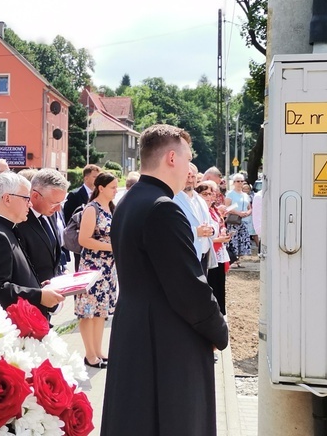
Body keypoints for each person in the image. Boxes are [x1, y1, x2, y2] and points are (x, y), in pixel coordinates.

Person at [101, 124, 228, 436]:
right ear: (171, 158)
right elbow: (188, 286)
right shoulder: (163, 208)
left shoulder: (130, 200)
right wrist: (217, 329)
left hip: (134, 328)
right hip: (166, 337)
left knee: (135, 417)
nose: (189, 169)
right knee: (171, 420)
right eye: (187, 159)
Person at [0, 171, 64, 317]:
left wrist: (38, 288)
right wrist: (39, 296)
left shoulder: (4, 227)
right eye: (26, 198)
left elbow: (15, 276)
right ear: (7, 199)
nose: (30, 203)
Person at [75, 171, 118, 369]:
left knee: (101, 311)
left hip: (108, 267)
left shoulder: (110, 208)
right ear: (101, 188)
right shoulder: (92, 209)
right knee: (88, 311)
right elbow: (83, 240)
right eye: (113, 187)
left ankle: (99, 350)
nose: (116, 191)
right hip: (92, 266)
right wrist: (112, 247)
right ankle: (89, 354)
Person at [15, 169, 69, 284]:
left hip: (53, 291)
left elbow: (52, 252)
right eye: (54, 203)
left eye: (61, 203)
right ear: (35, 196)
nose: (58, 208)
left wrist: (61, 272)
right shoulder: (19, 221)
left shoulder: (50, 214)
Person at [173, 163, 216, 273]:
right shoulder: (173, 199)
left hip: (204, 256)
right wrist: (196, 232)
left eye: (193, 176)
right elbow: (173, 229)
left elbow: (211, 222)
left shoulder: (200, 199)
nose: (190, 180)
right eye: (187, 176)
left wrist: (211, 230)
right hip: (186, 258)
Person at [196, 181, 231, 316]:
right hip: (208, 252)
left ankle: (220, 315)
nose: (209, 197)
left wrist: (223, 233)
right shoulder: (201, 210)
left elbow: (216, 228)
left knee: (219, 287)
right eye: (205, 194)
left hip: (218, 252)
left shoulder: (214, 210)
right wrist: (219, 239)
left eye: (212, 194)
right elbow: (203, 234)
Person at [226, 173, 252, 264]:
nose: (240, 183)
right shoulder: (230, 194)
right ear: (234, 183)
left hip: (244, 221)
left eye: (242, 181)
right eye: (238, 181)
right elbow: (227, 207)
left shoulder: (245, 195)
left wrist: (247, 213)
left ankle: (239, 259)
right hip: (234, 221)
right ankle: (233, 258)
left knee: (243, 240)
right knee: (234, 240)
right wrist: (238, 213)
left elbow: (249, 207)